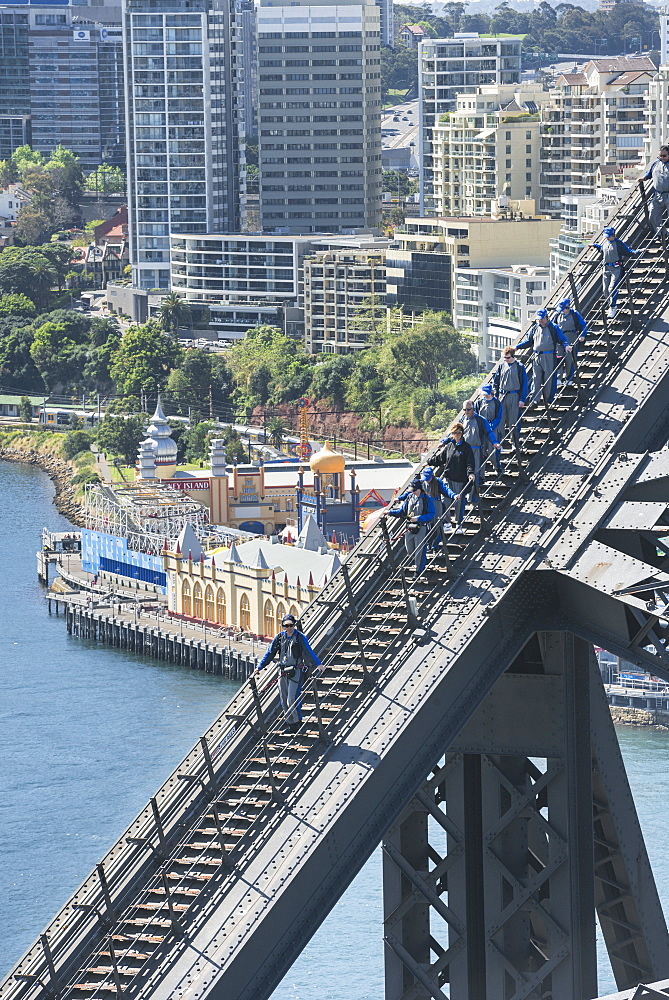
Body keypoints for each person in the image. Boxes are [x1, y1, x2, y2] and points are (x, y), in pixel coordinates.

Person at [256, 614, 322, 733]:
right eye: (286, 626)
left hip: (295, 671)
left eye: (291, 625)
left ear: (294, 625)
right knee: (284, 698)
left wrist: (318, 664)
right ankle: (290, 724)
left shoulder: (300, 637)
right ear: (283, 626)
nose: (289, 628)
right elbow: (270, 653)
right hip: (282, 671)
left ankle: (298, 723)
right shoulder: (280, 637)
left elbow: (308, 651)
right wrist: (260, 666)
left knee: (292, 698)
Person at [517, 308, 570, 410]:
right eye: (539, 319)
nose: (540, 321)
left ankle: (548, 400)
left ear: (546, 317)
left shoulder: (553, 328)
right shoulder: (535, 328)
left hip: (549, 356)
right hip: (537, 356)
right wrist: (517, 347)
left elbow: (562, 339)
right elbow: (529, 341)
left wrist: (566, 346)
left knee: (549, 379)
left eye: (542, 319)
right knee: (536, 378)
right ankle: (534, 400)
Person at [386, 477, 436, 575]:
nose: (413, 492)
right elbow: (402, 511)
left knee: (419, 550)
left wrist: (419, 518)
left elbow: (431, 514)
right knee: (409, 550)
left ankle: (418, 571)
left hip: (421, 527)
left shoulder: (427, 499)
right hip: (409, 527)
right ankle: (419, 564)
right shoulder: (409, 498)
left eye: (414, 490)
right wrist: (390, 512)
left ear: (419, 489)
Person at [433, 423, 475, 533]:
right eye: (454, 433)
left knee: (459, 503)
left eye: (458, 433)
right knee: (444, 502)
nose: (456, 435)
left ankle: (458, 524)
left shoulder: (466, 448)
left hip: (460, 480)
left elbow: (470, 463)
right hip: (448, 478)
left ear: (462, 434)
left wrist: (470, 473)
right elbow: (441, 458)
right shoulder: (449, 446)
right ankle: (447, 523)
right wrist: (429, 462)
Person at [591, 226, 640, 319]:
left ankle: (613, 307)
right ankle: (610, 304)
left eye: (609, 236)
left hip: (616, 268)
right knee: (605, 290)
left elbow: (629, 252)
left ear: (613, 235)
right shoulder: (605, 243)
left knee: (612, 288)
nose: (607, 238)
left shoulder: (619, 243)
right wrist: (596, 246)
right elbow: (603, 250)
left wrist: (638, 251)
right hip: (606, 268)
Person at [490, 346, 528, 462]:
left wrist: (522, 399)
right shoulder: (501, 366)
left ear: (513, 356)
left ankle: (514, 443)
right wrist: (495, 396)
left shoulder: (520, 367)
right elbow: (496, 381)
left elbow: (524, 384)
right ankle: (499, 444)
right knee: (500, 421)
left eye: (507, 357)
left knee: (513, 422)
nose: (505, 359)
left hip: (514, 395)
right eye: (504, 357)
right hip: (502, 395)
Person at [461, 399, 502, 501]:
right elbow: (454, 433)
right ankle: (468, 495)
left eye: (469, 409)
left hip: (477, 450)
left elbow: (489, 432)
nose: (467, 412)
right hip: (465, 450)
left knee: (475, 473)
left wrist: (495, 442)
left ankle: (473, 497)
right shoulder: (462, 420)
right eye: (464, 410)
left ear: (473, 409)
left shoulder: (480, 420)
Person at [553, 298, 587, 386]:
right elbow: (553, 326)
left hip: (571, 337)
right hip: (560, 339)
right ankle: (558, 378)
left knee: (570, 359)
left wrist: (582, 335)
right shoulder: (558, 315)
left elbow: (583, 325)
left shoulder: (575, 314)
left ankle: (569, 378)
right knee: (559, 358)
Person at [643, 145, 669, 236]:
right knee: (653, 217)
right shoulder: (656, 163)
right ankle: (662, 234)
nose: (662, 158)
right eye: (660, 156)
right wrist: (644, 178)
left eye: (664, 156)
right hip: (658, 195)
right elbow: (649, 173)